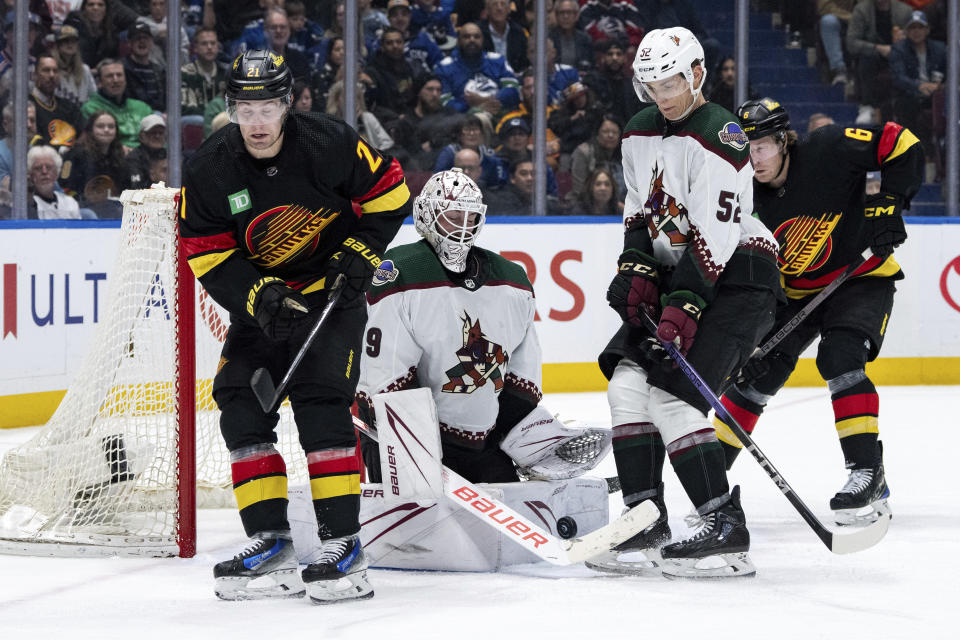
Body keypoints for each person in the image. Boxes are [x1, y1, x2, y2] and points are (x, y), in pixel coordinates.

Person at [179, 49, 411, 603]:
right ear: (230, 108)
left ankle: (344, 544)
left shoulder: (328, 142)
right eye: (244, 108)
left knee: (320, 399)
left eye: (267, 107)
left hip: (330, 293)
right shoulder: (210, 167)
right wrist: (256, 295)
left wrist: (358, 251)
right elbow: (205, 252)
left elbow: (393, 192)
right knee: (238, 401)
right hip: (264, 301)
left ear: (288, 104)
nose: (256, 122)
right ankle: (272, 542)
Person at [591, 27, 782, 579]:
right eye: (652, 84)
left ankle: (723, 526)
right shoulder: (637, 131)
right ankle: (644, 521)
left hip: (740, 276)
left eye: (673, 81)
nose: (664, 94)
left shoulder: (720, 133)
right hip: (686, 275)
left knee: (673, 399)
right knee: (626, 387)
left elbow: (715, 235)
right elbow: (638, 209)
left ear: (697, 73)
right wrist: (636, 267)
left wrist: (685, 303)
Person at [714, 98, 922, 526]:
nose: (754, 161)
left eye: (763, 148)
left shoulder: (829, 148)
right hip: (792, 294)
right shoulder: (740, 193)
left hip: (860, 278)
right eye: (745, 151)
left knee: (840, 357)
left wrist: (888, 205)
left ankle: (866, 469)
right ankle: (709, 474)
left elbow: (902, 142)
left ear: (784, 141)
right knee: (756, 372)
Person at [356, 168, 538, 482]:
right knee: (414, 526)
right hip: (401, 438)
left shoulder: (512, 280)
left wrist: (508, 433)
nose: (463, 229)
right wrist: (419, 445)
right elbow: (386, 374)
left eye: (471, 219)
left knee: (503, 521)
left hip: (482, 445)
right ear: (426, 215)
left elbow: (524, 374)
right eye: (454, 217)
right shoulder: (401, 270)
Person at [846, 0, 912, 125]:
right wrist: (877, 48)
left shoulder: (905, 11)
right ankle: (867, 105)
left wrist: (904, 40)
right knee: (867, 59)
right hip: (873, 54)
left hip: (900, 54)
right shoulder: (861, 10)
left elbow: (915, 38)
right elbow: (851, 42)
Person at [435, 22, 520, 116]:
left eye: (477, 37)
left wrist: (484, 99)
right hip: (463, 121)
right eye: (466, 36)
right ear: (458, 41)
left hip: (499, 115)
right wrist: (474, 108)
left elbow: (514, 90)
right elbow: (444, 103)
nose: (472, 40)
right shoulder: (445, 67)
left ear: (482, 40)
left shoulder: (497, 61)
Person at [889, 10, 945, 146]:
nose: (916, 31)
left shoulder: (940, 48)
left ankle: (942, 145)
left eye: (920, 27)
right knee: (906, 105)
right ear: (907, 31)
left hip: (935, 94)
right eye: (912, 27)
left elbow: (952, 73)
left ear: (927, 30)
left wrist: (939, 87)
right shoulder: (898, 49)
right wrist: (919, 86)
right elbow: (898, 77)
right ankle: (912, 150)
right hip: (910, 94)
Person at [59, 110, 129, 218]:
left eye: (111, 127)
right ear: (90, 130)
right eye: (100, 126)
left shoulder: (119, 155)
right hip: (81, 207)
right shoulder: (75, 154)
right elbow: (64, 185)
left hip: (111, 207)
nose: (106, 130)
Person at [81, 59, 152, 149]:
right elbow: (93, 143)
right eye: (109, 76)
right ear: (100, 83)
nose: (116, 80)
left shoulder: (142, 107)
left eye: (119, 75)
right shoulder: (91, 108)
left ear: (125, 80)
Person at [29, 55, 83, 152]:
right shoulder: (27, 106)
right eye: (46, 70)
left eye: (55, 71)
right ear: (34, 75)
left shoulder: (69, 106)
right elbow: (32, 140)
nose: (52, 75)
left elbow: (84, 133)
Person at [27, 145, 86, 220]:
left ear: (56, 173)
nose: (44, 172)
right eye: (38, 168)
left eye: (49, 167)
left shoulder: (69, 202)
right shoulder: (28, 206)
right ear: (31, 174)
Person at [181, 27, 229, 117]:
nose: (209, 47)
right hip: (195, 122)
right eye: (204, 44)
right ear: (195, 48)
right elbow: (182, 108)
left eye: (213, 43)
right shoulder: (184, 73)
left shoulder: (226, 73)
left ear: (218, 47)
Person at [123, 22, 167, 112]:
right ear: (129, 43)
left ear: (151, 42)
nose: (142, 41)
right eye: (137, 38)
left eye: (146, 38)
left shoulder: (159, 70)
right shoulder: (122, 68)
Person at [478, 0, 529, 74]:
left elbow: (524, 63)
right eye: (495, 4)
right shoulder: (478, 32)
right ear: (487, 10)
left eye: (503, 4)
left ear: (509, 9)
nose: (499, 8)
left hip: (515, 78)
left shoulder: (518, 32)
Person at [51, 25, 97, 105]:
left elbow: (93, 96)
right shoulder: (51, 69)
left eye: (73, 41)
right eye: (65, 40)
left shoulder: (85, 69)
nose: (70, 44)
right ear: (58, 45)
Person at [549, 0, 593, 71]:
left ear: (576, 15)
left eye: (569, 12)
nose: (565, 16)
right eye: (562, 13)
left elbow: (590, 65)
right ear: (556, 16)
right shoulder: (549, 38)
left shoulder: (585, 39)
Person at [126, 114, 166, 189]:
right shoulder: (133, 158)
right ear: (142, 135)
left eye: (161, 133)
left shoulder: (169, 156)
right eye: (153, 132)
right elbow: (136, 188)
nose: (157, 136)